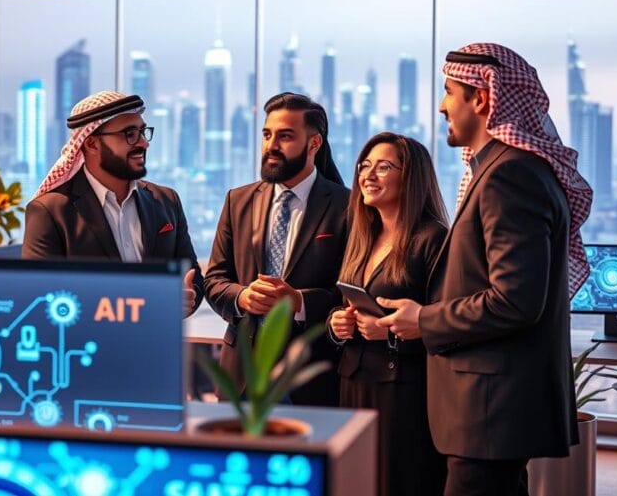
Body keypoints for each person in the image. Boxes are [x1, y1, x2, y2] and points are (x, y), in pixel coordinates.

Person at [377, 43, 593, 496]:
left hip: (491, 409)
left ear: (481, 98)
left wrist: (423, 318)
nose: (441, 105)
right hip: (492, 410)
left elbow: (515, 300)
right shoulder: (502, 169)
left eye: (449, 91)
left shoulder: (508, 176)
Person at [205, 92, 349, 407]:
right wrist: (242, 297)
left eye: (285, 136)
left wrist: (298, 301)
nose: (271, 145)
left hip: (312, 376)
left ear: (314, 144)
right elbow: (214, 279)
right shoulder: (237, 201)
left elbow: (350, 292)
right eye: (267, 135)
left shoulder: (347, 206)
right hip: (242, 376)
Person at [328, 132, 448, 496]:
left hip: (405, 392)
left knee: (399, 481)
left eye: (383, 167)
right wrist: (338, 324)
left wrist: (391, 332)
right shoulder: (361, 235)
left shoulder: (433, 238)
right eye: (365, 166)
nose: (369, 175)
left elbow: (448, 322)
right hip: (354, 383)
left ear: (411, 177)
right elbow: (345, 305)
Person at [22, 90, 204, 316]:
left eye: (143, 132)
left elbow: (192, 277)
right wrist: (146, 303)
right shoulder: (51, 211)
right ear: (91, 145)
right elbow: (40, 297)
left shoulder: (166, 201)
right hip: (90, 348)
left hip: (157, 345)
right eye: (129, 134)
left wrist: (186, 298)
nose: (143, 144)